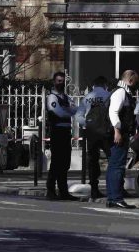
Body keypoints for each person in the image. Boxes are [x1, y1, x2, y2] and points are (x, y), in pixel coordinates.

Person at [105, 70, 138, 209]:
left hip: (120, 133)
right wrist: (117, 131)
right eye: (135, 81)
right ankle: (115, 198)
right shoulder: (121, 92)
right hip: (118, 134)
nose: (135, 85)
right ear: (130, 79)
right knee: (117, 167)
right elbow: (113, 112)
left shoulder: (121, 91)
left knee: (115, 166)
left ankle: (113, 197)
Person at [76, 76, 111, 199]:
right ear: (105, 85)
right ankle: (113, 187)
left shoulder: (87, 97)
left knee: (92, 160)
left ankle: (94, 189)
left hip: (91, 133)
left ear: (93, 86)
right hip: (106, 132)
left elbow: (78, 116)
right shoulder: (109, 95)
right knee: (112, 159)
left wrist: (88, 124)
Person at [46, 71, 78, 201]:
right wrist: (68, 111)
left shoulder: (65, 97)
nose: (61, 83)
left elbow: (75, 109)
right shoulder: (52, 97)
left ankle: (63, 191)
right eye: (59, 81)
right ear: (54, 82)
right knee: (56, 163)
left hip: (65, 133)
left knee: (65, 164)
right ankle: (51, 190)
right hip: (57, 132)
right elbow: (58, 112)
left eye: (63, 81)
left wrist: (68, 111)